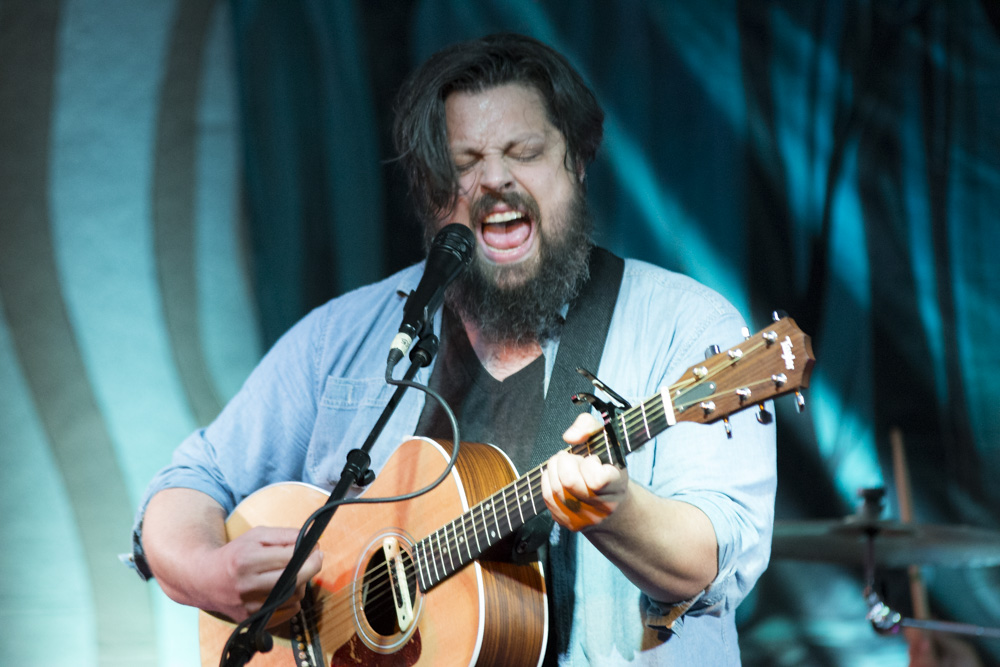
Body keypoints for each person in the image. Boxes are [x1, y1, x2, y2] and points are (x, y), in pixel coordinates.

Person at [131, 32, 777, 665]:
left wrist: (618, 511)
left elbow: (715, 556)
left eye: (524, 151)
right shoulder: (345, 336)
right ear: (427, 189)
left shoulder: (685, 325)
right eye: (463, 164)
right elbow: (192, 481)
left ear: (576, 164)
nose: (495, 180)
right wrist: (211, 572)